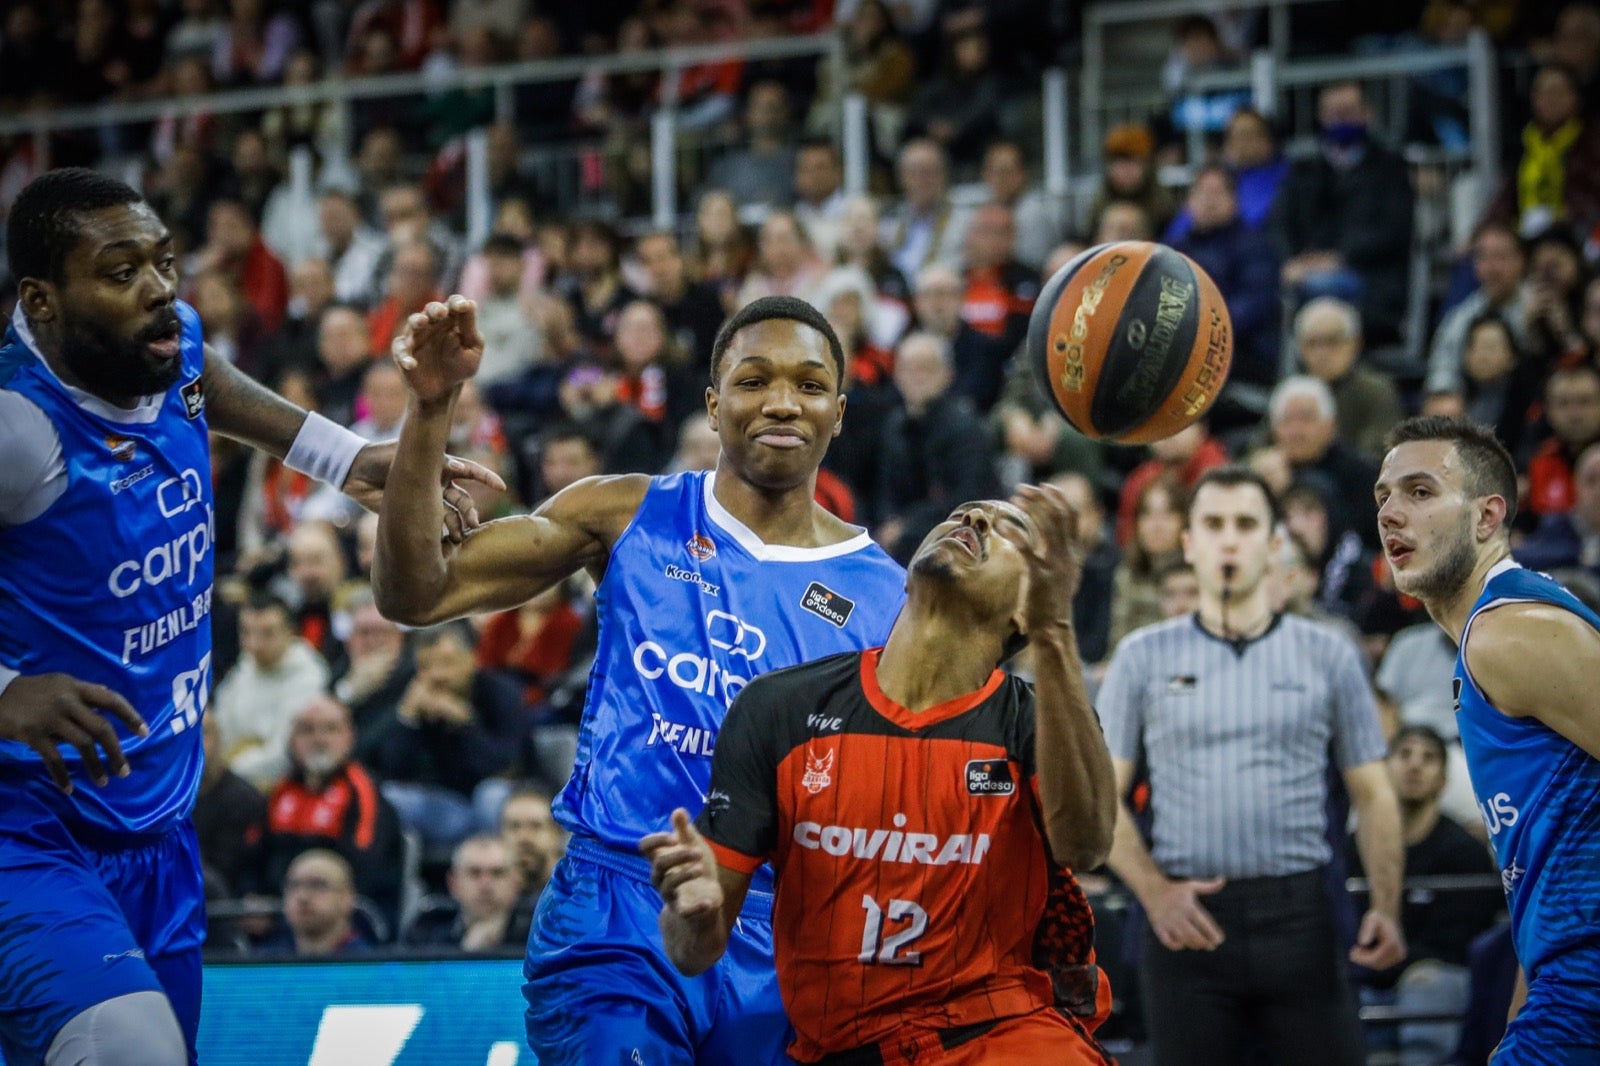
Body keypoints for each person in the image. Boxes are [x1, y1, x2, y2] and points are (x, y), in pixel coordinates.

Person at [0, 168, 496, 1064]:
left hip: (155, 822)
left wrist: (348, 461)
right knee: (130, 1050)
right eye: (120, 273)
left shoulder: (166, 342)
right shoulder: (18, 429)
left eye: (163, 262)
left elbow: (206, 380)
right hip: (28, 817)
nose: (158, 290)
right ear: (41, 300)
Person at [373, 293, 909, 1064]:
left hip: (786, 935)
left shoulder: (887, 598)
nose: (783, 403)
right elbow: (415, 592)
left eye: (810, 385)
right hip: (618, 907)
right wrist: (430, 410)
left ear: (840, 410)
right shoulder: (626, 513)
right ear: (714, 403)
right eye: (755, 380)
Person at [642, 486, 1117, 1064]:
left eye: (1009, 529)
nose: (970, 515)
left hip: (998, 1036)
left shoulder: (1037, 721)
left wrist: (1055, 629)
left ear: (1027, 603)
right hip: (840, 1050)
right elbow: (694, 952)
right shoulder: (780, 708)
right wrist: (690, 913)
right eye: (965, 510)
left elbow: (1087, 844)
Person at [1099, 465, 1405, 1066]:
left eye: (1245, 524)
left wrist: (1388, 907)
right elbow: (1099, 799)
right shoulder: (1140, 657)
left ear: (1273, 545)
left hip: (1302, 916)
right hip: (1184, 924)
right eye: (1213, 524)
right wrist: (1155, 894)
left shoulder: (1330, 653)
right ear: (1189, 543)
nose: (1229, 539)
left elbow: (1374, 793)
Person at [1375, 414, 1600, 1057]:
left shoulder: (1508, 632)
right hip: (1561, 988)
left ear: (1486, 517)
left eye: (1420, 492)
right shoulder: (1485, 638)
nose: (1392, 513)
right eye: (1383, 497)